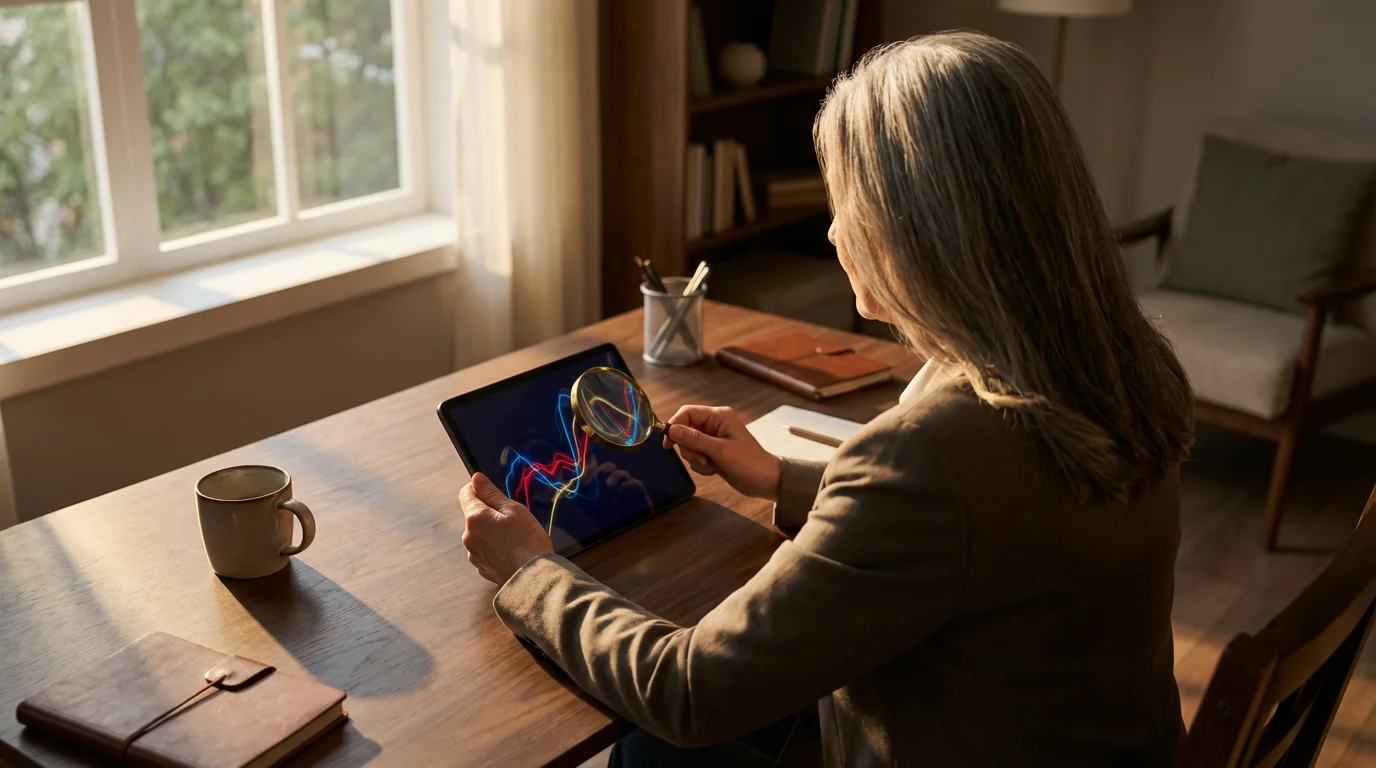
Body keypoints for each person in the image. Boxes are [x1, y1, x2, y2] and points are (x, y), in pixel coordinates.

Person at [458, 30, 1194, 767]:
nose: (836, 230)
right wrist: (785, 480)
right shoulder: (1118, 366)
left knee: (655, 752)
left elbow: (688, 690)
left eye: (844, 200)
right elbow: (985, 537)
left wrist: (531, 570)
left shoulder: (936, 453)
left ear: (912, 228)